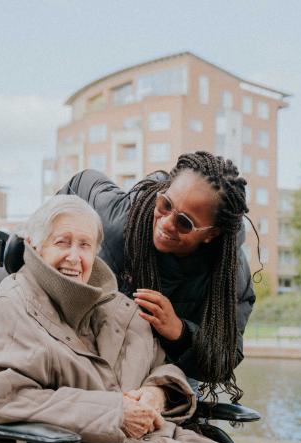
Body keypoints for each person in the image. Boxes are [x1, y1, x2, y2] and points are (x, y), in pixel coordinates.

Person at [0, 195, 265, 443]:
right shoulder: (11, 307)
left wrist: (157, 393)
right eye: (62, 242)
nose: (73, 256)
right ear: (35, 244)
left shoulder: (117, 308)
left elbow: (160, 365)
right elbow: (6, 397)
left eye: (84, 245)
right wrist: (115, 413)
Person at [58, 151, 258, 402]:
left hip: (169, 368)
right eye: (165, 205)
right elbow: (81, 183)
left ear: (211, 233)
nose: (165, 224)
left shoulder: (229, 276)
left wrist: (180, 333)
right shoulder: (120, 219)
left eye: (184, 222)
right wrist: (47, 243)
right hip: (93, 347)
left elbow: (225, 357)